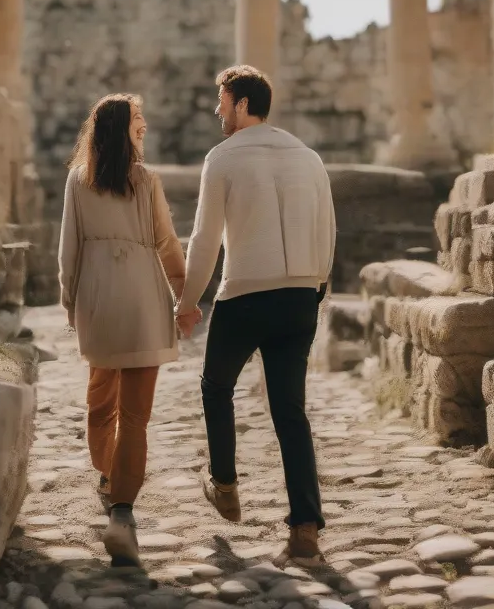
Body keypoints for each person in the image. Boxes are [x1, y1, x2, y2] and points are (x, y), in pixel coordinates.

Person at [174, 65, 336, 566]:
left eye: (222, 101)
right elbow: (327, 228)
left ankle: (224, 482)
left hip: (244, 294)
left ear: (243, 103)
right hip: (298, 295)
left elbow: (204, 239)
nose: (217, 110)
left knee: (215, 386)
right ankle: (304, 530)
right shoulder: (308, 158)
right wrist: (317, 289)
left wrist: (187, 300)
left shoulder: (222, 157)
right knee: (290, 412)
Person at [58, 93, 201, 568]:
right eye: (138, 119)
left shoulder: (79, 182)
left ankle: (107, 476)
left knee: (100, 400)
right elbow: (165, 241)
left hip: (99, 295)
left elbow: (69, 250)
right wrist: (184, 297)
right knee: (135, 415)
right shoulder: (146, 180)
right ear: (121, 128)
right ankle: (122, 511)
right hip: (141, 294)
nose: (145, 124)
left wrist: (69, 300)